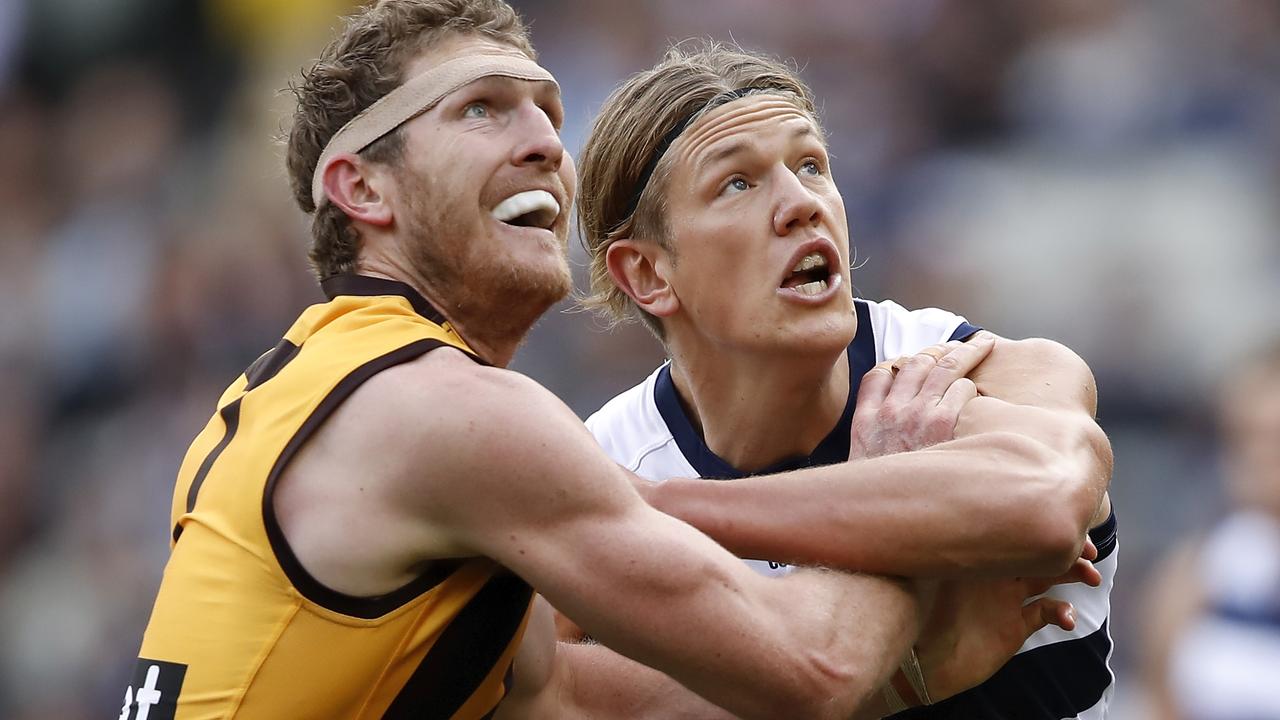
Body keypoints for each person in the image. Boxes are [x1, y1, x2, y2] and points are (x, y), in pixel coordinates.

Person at [124, 3, 1096, 718]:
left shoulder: (304, 397)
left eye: (547, 111)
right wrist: (888, 491)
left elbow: (597, 709)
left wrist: (896, 669)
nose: (548, 142)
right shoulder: (454, 419)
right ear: (361, 187)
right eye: (482, 110)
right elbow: (817, 670)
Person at [576, 41, 1117, 719]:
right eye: (737, 183)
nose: (802, 203)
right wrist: (903, 677)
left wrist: (652, 512)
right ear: (649, 274)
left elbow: (1044, 504)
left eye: (810, 165)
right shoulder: (608, 459)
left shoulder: (979, 368)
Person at [1140, 340, 1280, 720]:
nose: (1255, 458)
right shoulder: (1191, 573)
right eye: (1242, 436)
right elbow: (1161, 703)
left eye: (1273, 439)